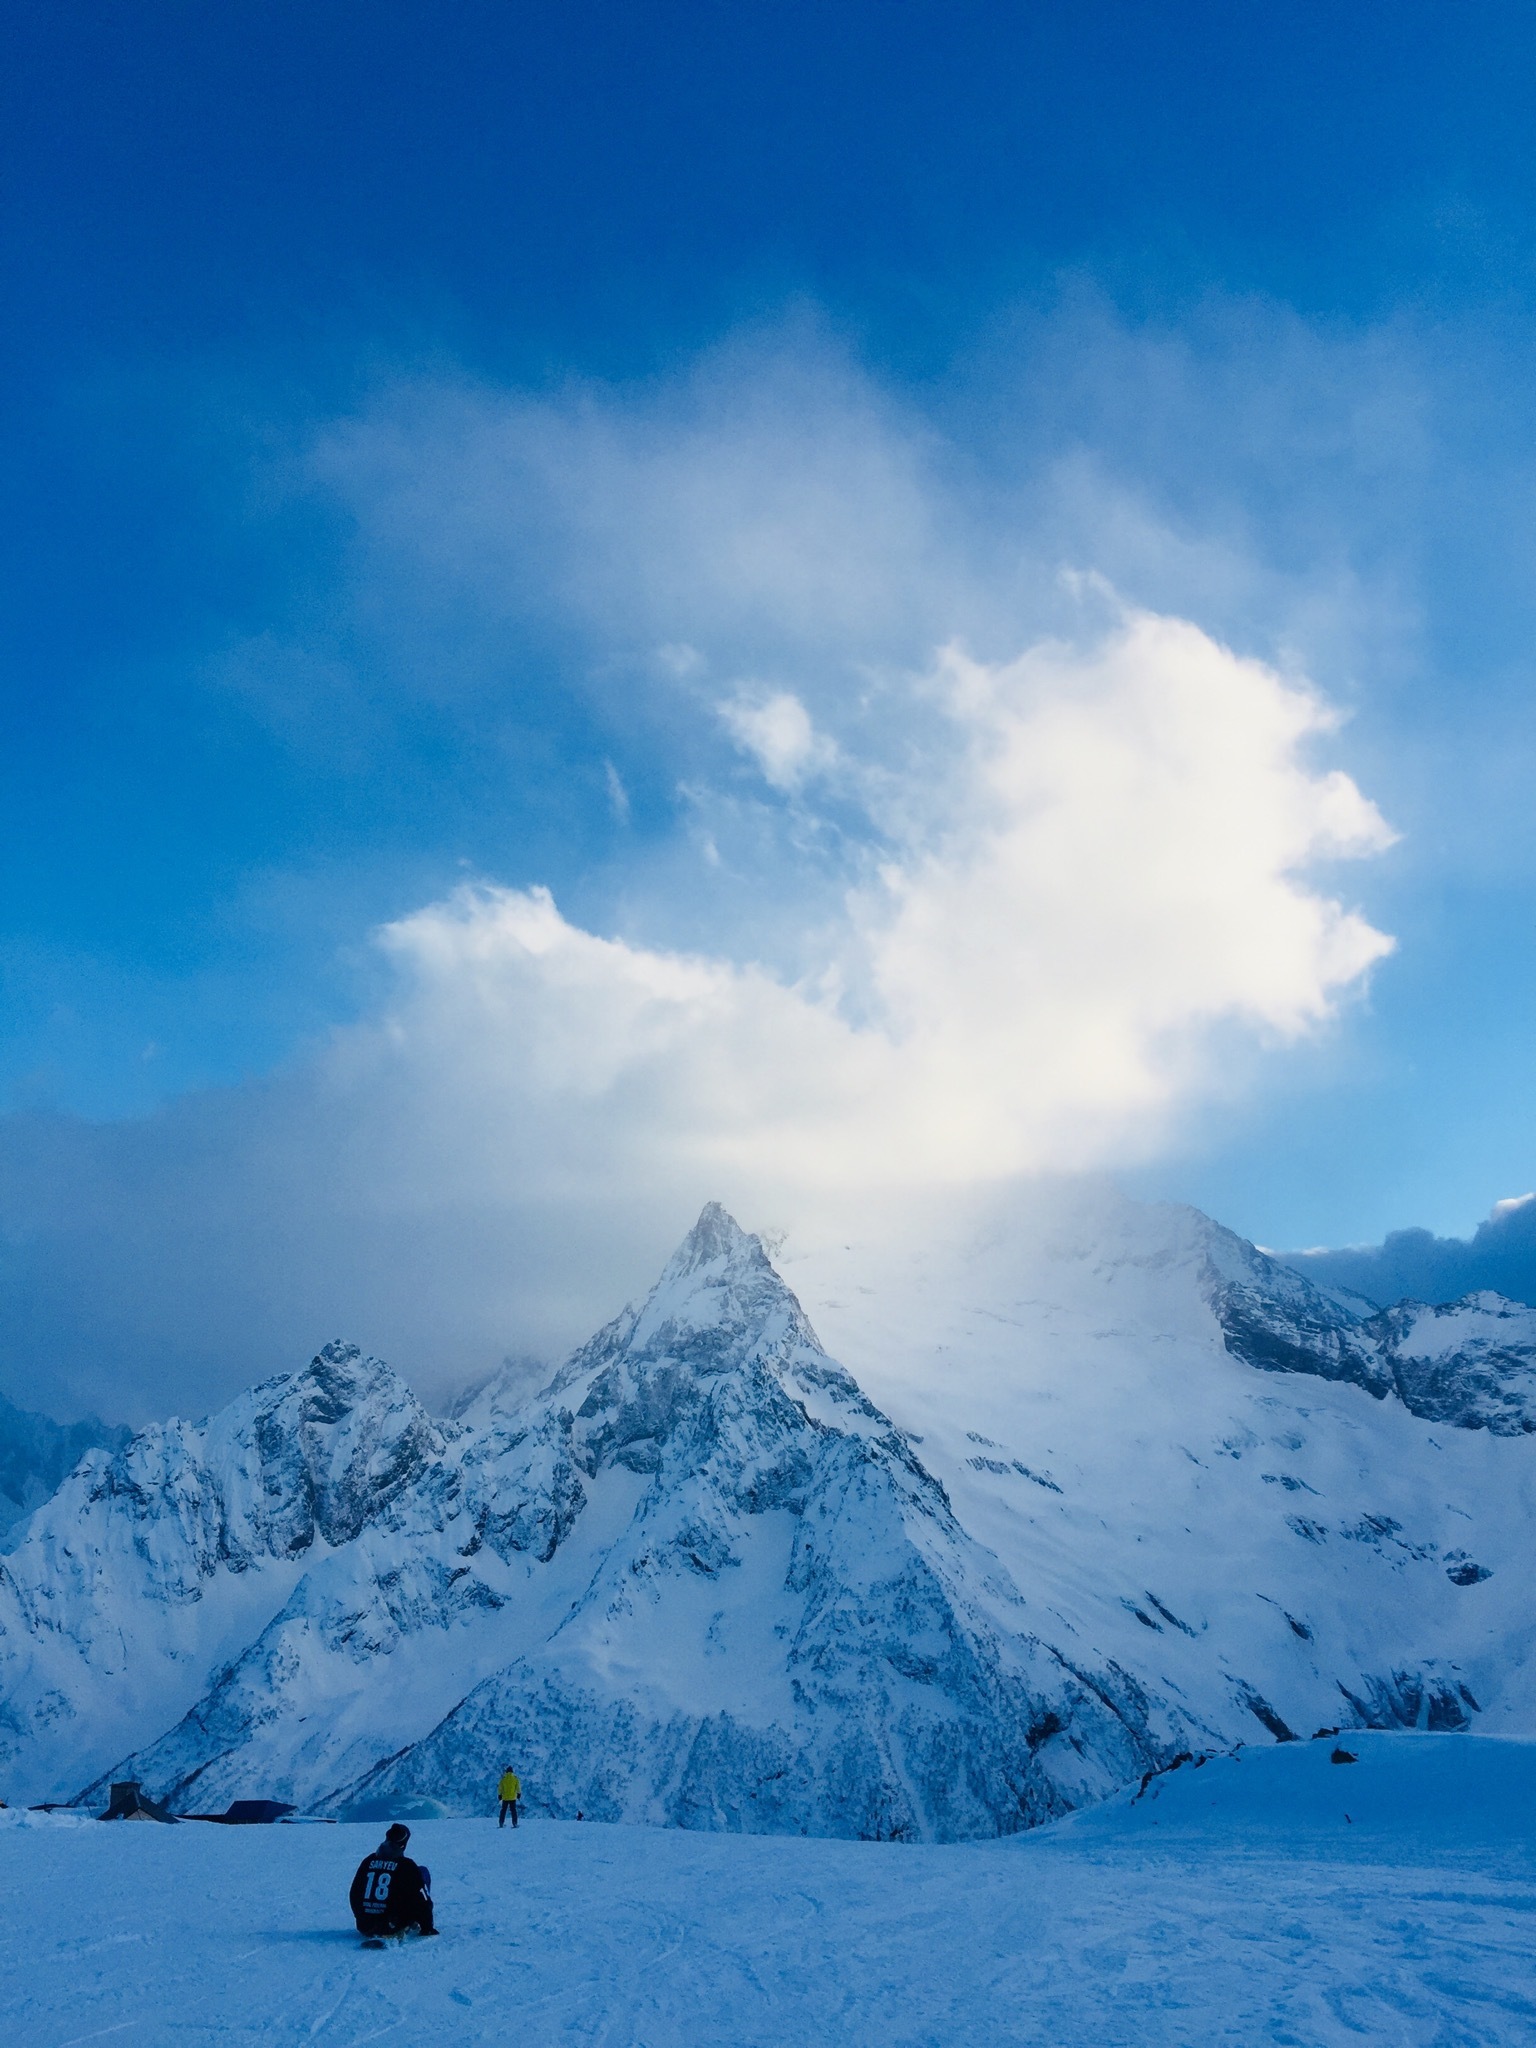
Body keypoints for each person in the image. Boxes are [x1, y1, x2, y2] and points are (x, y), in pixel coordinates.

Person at [350, 1822, 438, 1940]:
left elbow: (354, 1893)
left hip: (365, 1925)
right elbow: (421, 1899)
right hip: (391, 1925)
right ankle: (405, 1924)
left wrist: (362, 1919)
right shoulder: (406, 1866)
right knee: (422, 1873)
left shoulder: (368, 1861)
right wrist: (427, 1927)